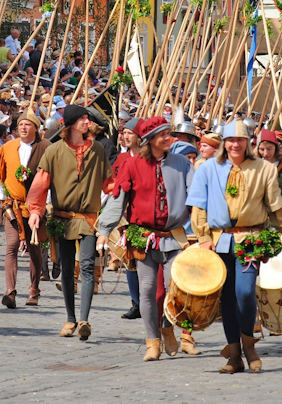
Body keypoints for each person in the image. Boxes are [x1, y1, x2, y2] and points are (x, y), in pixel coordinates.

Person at [187, 120, 282, 374]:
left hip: (250, 240)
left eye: (240, 139)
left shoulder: (263, 169)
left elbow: (276, 206)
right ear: (224, 143)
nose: (235, 144)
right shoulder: (207, 168)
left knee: (245, 292)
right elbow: (199, 205)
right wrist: (203, 237)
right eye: (230, 140)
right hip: (218, 241)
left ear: (248, 143)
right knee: (227, 298)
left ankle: (249, 345)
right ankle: (234, 354)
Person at [98, 117, 194, 362]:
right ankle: (153, 342)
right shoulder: (131, 165)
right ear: (149, 140)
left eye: (168, 133)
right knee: (148, 289)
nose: (168, 138)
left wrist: (206, 230)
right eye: (162, 135)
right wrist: (104, 230)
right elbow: (118, 198)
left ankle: (167, 327)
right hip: (143, 237)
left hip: (174, 235)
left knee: (176, 287)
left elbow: (196, 199)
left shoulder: (182, 163)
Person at [26, 105, 113, 341]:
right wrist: (35, 211)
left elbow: (109, 183)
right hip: (62, 218)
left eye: (88, 118)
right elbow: (40, 184)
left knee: (87, 266)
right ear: (72, 123)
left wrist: (124, 191)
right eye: (83, 119)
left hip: (88, 219)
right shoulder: (53, 151)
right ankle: (70, 319)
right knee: (66, 269)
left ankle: (84, 320)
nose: (87, 122)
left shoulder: (97, 149)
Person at [0, 112, 50, 308]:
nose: (23, 128)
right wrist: (3, 200)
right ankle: (10, 291)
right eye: (21, 124)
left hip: (35, 207)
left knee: (34, 247)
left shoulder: (46, 147)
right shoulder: (7, 147)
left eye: (28, 124)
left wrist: (45, 206)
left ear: (36, 128)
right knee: (11, 246)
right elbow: (1, 176)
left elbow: (51, 178)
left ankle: (34, 289)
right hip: (13, 206)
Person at [107, 117, 143, 320]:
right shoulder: (121, 159)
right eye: (124, 133)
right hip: (125, 214)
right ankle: (135, 302)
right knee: (129, 259)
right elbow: (112, 184)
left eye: (130, 133)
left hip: (143, 213)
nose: (125, 136)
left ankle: (149, 302)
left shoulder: (147, 158)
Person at [256, 129, 282, 204]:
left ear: (276, 147)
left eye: (269, 149)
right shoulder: (256, 167)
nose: (265, 153)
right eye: (262, 149)